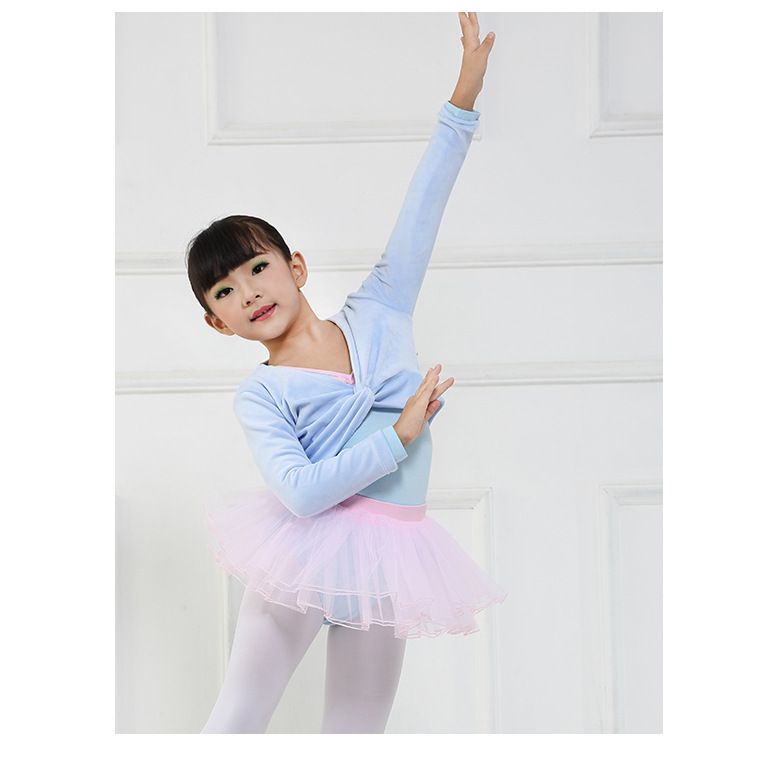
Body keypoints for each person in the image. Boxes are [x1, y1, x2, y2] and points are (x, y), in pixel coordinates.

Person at [187, 12, 504, 734]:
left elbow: (422, 209)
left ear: (295, 267)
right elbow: (300, 493)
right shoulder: (262, 393)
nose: (249, 293)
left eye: (257, 268)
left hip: (392, 552)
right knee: (238, 718)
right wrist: (399, 436)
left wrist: (463, 99)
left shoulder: (381, 309)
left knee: (357, 733)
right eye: (225, 292)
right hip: (302, 553)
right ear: (218, 323)